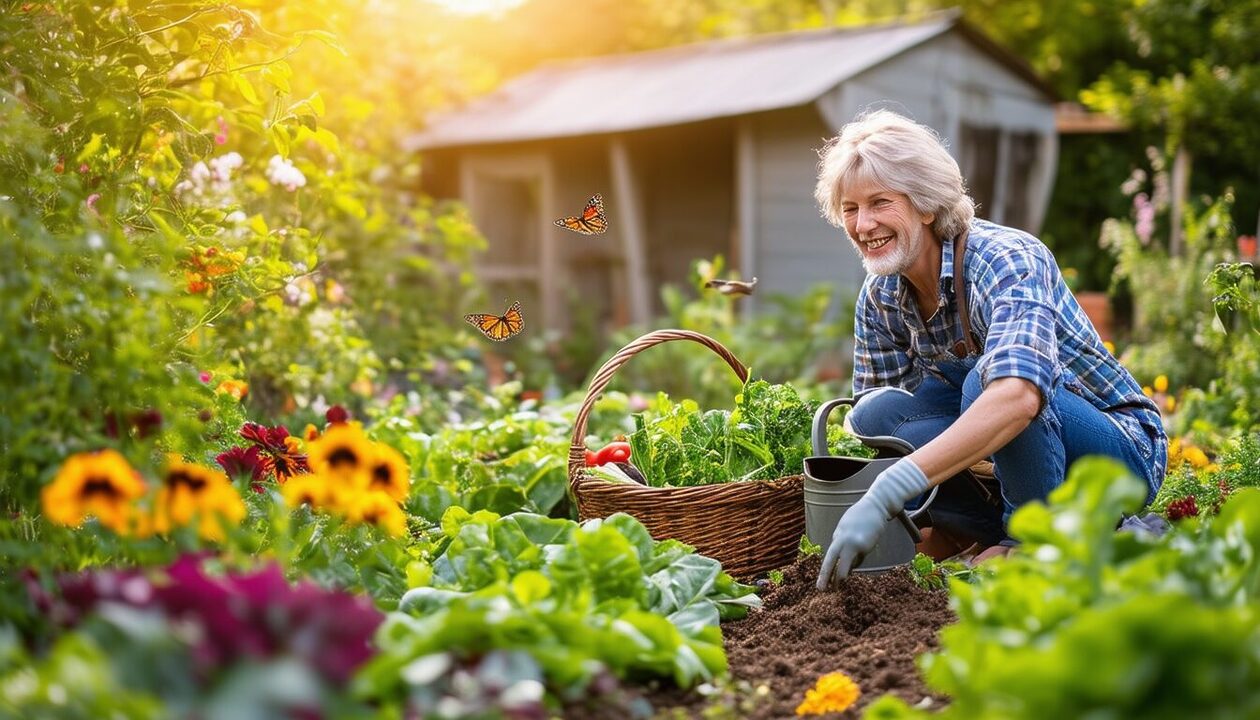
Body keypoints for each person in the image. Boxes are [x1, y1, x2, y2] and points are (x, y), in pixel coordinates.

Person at [811, 109, 1167, 587]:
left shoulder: (1006, 259)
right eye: (850, 208)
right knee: (876, 414)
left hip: (1114, 452)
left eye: (880, 202)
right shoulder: (880, 299)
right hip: (1010, 472)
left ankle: (1034, 541)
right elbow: (890, 441)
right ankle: (979, 532)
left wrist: (888, 492)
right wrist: (918, 525)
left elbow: (1018, 397)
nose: (863, 223)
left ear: (926, 205)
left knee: (992, 380)